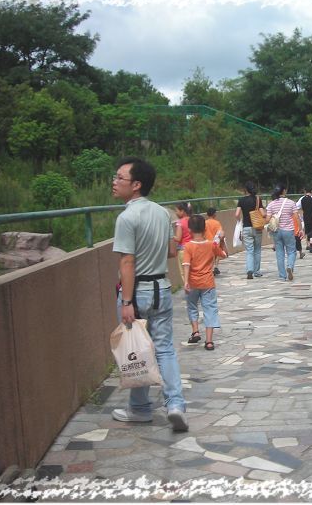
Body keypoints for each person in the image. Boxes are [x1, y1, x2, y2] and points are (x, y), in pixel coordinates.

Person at [111, 157, 188, 431]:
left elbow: (127, 262)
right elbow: (171, 251)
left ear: (136, 185)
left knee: (137, 349)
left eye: (120, 177)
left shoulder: (126, 217)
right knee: (164, 349)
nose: (114, 182)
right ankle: (175, 404)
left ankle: (141, 409)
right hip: (162, 289)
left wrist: (127, 301)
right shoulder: (162, 213)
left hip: (137, 292)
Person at [182, 214, 228, 351]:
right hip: (208, 283)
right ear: (205, 229)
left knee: (192, 306)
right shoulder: (211, 245)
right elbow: (225, 254)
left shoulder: (188, 246)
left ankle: (195, 331)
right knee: (210, 309)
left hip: (193, 282)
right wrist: (222, 240)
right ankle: (209, 341)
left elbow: (186, 264)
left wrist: (186, 281)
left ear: (189, 229)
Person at [266, 184, 298, 281]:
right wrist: (300, 229)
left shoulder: (271, 204)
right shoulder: (291, 203)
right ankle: (290, 266)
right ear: (284, 191)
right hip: (288, 230)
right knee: (292, 251)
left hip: (276, 231)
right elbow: (296, 217)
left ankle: (282, 276)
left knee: (279, 253)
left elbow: (267, 219)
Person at [235, 182, 266, 279]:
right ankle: (257, 271)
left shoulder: (241, 200)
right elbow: (263, 214)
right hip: (257, 227)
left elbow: (237, 214)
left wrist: (239, 221)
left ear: (246, 190)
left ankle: (249, 270)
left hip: (246, 228)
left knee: (249, 251)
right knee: (257, 250)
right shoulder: (258, 199)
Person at [173, 202, 192, 285]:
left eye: (176, 211)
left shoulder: (180, 222)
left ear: (182, 211)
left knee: (184, 273)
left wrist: (169, 235)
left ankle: (188, 289)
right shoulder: (192, 220)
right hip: (193, 248)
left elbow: (178, 238)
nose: (176, 213)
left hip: (183, 250)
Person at [205, 207, 225, 276]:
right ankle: (215, 267)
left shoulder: (205, 223)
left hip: (207, 243)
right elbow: (221, 233)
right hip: (215, 243)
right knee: (217, 254)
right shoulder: (217, 223)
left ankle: (210, 269)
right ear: (214, 214)